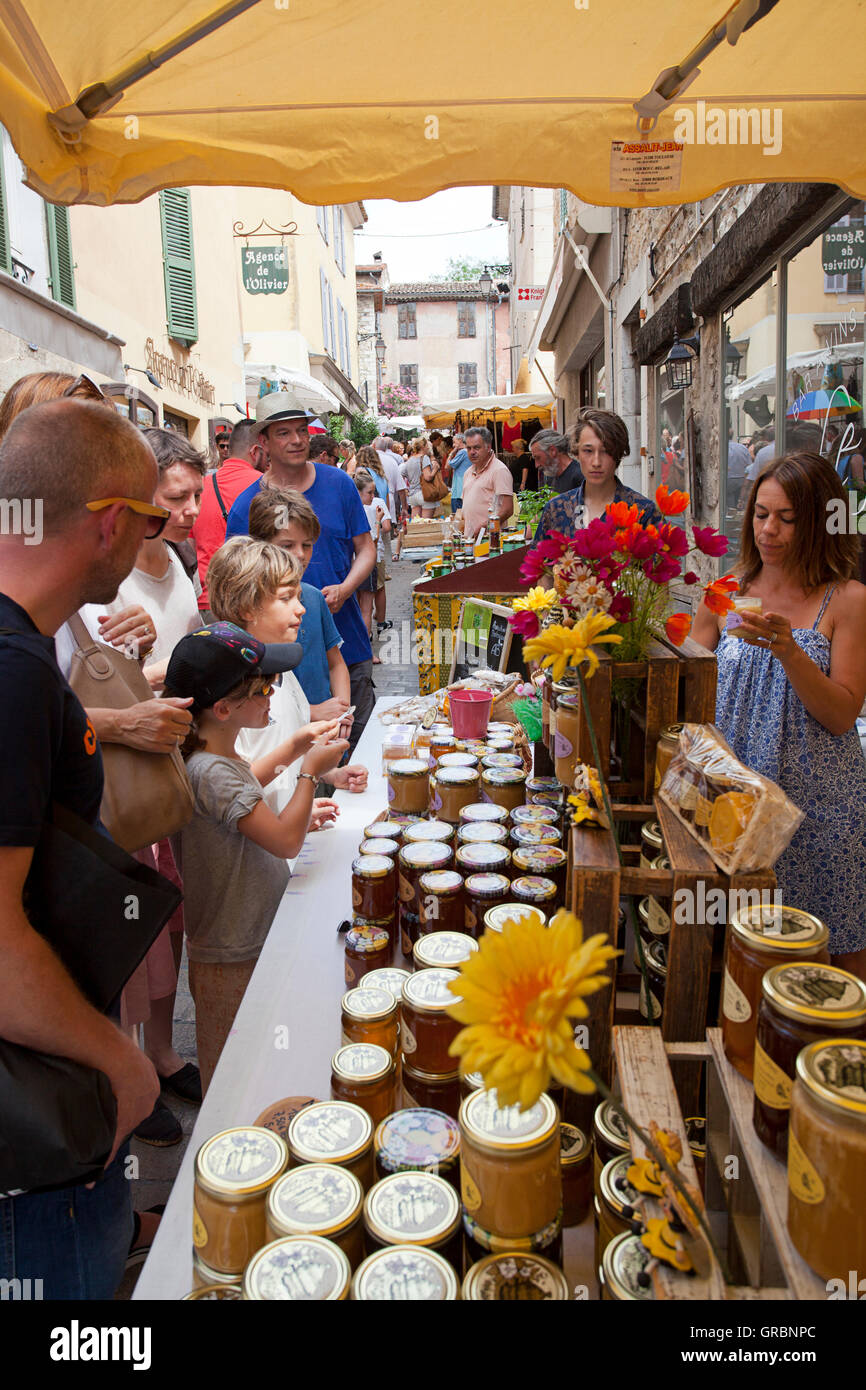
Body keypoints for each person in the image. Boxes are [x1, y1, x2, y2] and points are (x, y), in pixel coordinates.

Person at [0, 398, 168, 1298]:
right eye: (150, 519)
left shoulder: (25, 649)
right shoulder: (14, 669)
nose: (154, 539)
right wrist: (123, 1066)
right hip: (39, 1121)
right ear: (109, 523)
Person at [692, 452, 866, 980]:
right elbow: (689, 679)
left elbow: (842, 715)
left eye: (788, 518)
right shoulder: (728, 589)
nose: (769, 530)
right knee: (742, 944)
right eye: (761, 514)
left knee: (833, 952)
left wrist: (789, 650)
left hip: (820, 807)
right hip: (737, 801)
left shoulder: (848, 599)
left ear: (819, 521)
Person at [165, 622, 348, 1090]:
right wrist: (310, 774)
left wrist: (295, 745)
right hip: (233, 947)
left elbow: (249, 789)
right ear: (224, 708)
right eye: (264, 687)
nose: (273, 695)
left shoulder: (213, 757)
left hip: (243, 934)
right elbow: (285, 840)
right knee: (237, 1073)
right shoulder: (212, 771)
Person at [224, 391, 376, 751]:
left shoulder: (339, 483)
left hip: (346, 642)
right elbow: (236, 581)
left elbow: (366, 549)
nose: (296, 440)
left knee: (356, 746)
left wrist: (346, 588)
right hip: (281, 659)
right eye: (283, 433)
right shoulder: (247, 505)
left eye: (301, 431)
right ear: (263, 442)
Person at [206, 538, 350, 818]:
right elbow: (234, 787)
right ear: (247, 607)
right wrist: (308, 770)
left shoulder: (281, 666)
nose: (301, 609)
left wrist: (331, 774)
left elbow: (282, 765)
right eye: (286, 598)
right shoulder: (231, 688)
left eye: (298, 597)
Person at [246, 488, 368, 793]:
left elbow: (336, 663)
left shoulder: (312, 598)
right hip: (277, 753)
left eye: (307, 545)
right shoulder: (255, 617)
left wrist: (343, 712)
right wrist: (313, 712)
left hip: (320, 745)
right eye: (287, 545)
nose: (300, 554)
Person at [534, 407, 660, 543]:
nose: (596, 462)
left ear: (618, 454)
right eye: (588, 450)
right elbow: (537, 561)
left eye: (606, 451)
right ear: (577, 452)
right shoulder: (555, 510)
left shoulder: (643, 512)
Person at [192, 418, 264, 620]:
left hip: (205, 600)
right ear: (255, 452)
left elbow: (188, 545)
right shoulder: (263, 486)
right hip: (248, 600)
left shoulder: (200, 487)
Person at [354, 469, 390, 657]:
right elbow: (374, 540)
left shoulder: (350, 509)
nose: (373, 496)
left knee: (359, 607)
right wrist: (377, 520)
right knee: (366, 609)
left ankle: (359, 645)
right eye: (369, 492)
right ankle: (366, 651)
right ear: (359, 492)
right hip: (367, 563)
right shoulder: (367, 511)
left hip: (353, 564)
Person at [460, 426, 515, 537]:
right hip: (470, 540)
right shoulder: (468, 472)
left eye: (476, 448)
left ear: (488, 447)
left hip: (490, 540)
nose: (472, 452)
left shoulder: (499, 470)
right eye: (469, 448)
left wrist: (485, 527)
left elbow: (508, 509)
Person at [528, 430, 584, 495]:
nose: (536, 465)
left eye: (538, 458)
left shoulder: (580, 475)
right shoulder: (550, 475)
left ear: (552, 451)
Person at [445, 433, 471, 514]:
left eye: (454, 442)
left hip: (458, 491)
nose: (453, 445)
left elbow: (447, 466)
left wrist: (451, 453)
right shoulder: (469, 451)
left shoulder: (462, 452)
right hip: (466, 490)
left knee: (457, 518)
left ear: (460, 441)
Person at [401, 438, 427, 518]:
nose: (428, 448)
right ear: (423, 447)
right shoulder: (424, 458)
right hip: (424, 492)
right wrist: (435, 470)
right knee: (426, 524)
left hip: (412, 494)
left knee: (415, 524)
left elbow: (401, 475)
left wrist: (406, 488)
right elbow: (428, 477)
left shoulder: (409, 461)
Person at [726, 428, 751, 511]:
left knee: (729, 505)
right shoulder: (742, 448)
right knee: (738, 503)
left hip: (727, 480)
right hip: (741, 479)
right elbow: (749, 465)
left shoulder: (721, 448)